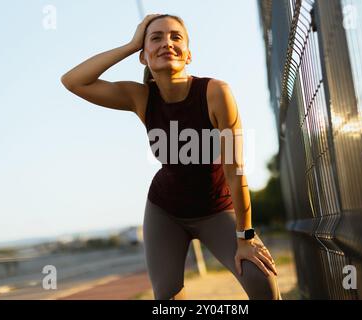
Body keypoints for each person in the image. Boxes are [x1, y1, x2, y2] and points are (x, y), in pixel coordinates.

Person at [61, 13, 281, 300]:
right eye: (156, 38)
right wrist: (131, 45)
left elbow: (235, 170)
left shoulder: (216, 93)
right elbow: (74, 81)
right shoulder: (141, 97)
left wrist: (245, 237)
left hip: (216, 209)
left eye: (176, 37)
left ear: (188, 55)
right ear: (144, 56)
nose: (167, 43)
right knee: (168, 299)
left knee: (263, 284)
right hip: (165, 212)